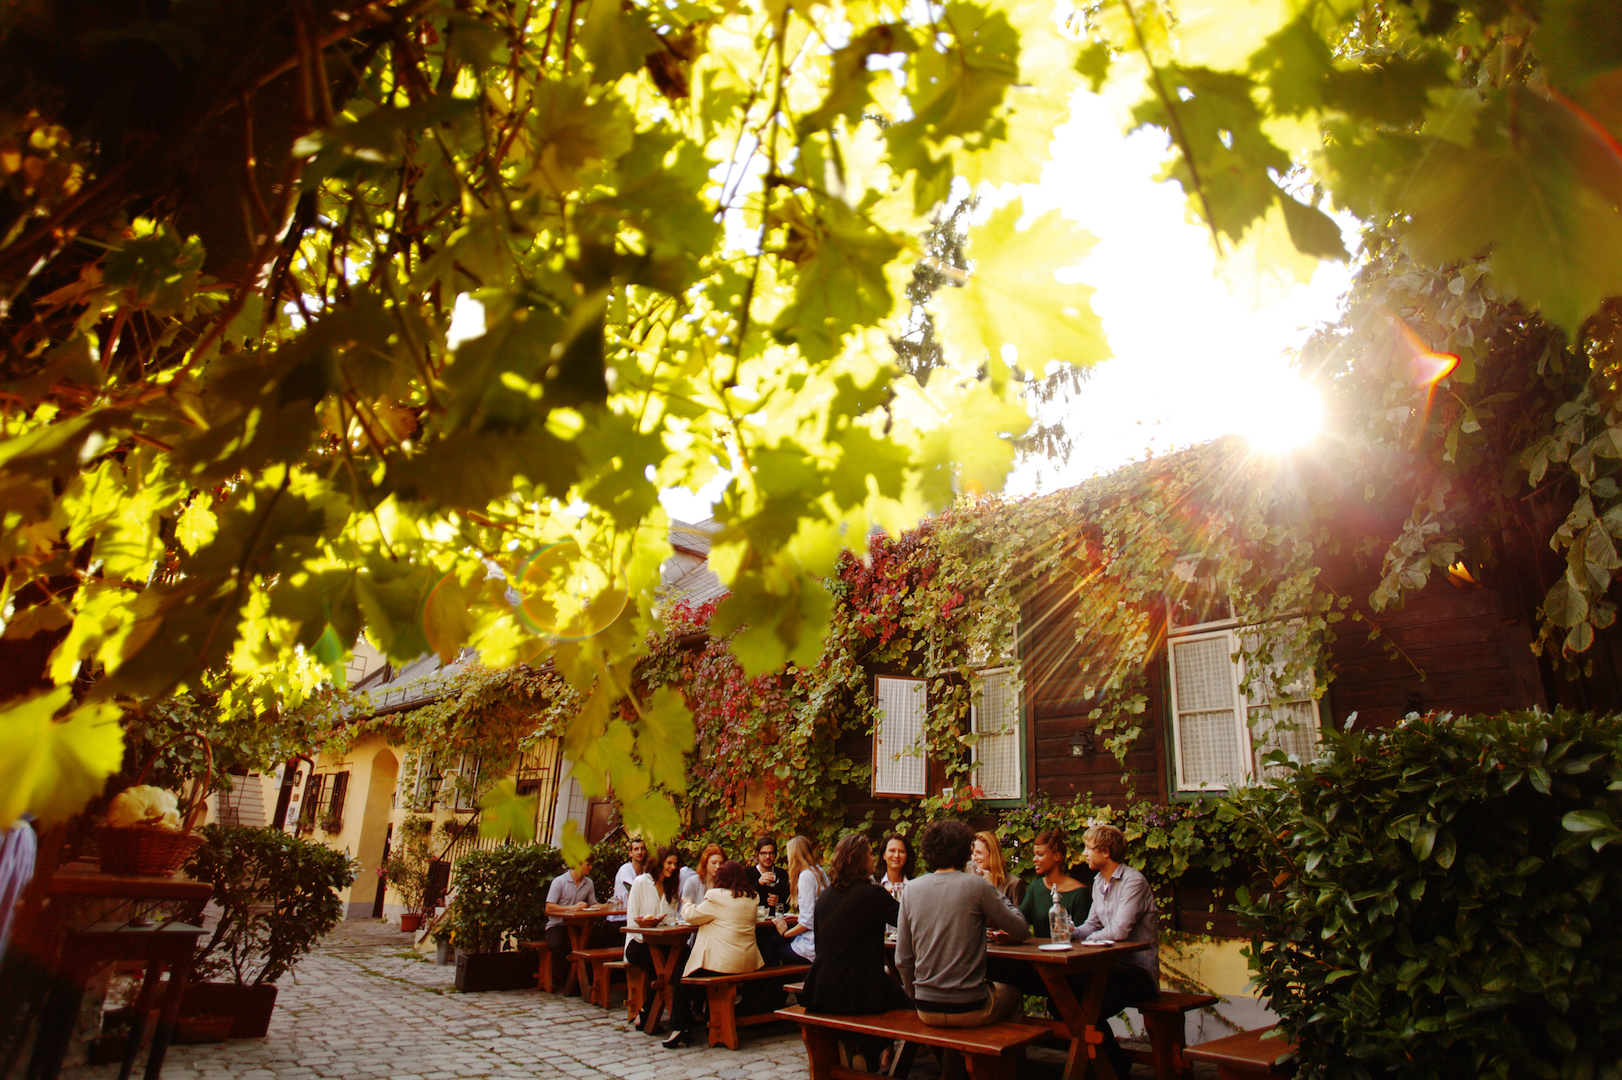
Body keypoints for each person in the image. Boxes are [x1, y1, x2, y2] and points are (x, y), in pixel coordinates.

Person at [894, 819, 1029, 1043]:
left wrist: (915, 995)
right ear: (964, 851)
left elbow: (902, 959)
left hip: (925, 1007)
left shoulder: (911, 890)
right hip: (970, 1004)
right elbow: (1022, 930)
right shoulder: (977, 886)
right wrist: (993, 890)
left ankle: (953, 1070)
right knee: (1013, 995)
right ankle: (1000, 1066)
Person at [801, 835, 911, 1071]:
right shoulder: (873, 895)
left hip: (819, 987)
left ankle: (861, 1052)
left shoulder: (825, 897)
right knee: (913, 1006)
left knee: (890, 994)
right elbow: (909, 921)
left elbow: (821, 945)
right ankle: (867, 1048)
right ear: (860, 860)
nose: (873, 858)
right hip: (858, 987)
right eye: (871, 854)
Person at [1068, 824, 1160, 1079]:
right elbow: (1092, 925)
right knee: (1067, 1000)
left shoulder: (1133, 881)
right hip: (1112, 969)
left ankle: (1110, 1066)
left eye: (1088, 848)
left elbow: (1119, 930)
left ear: (1106, 851)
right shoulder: (1098, 882)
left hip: (1138, 971)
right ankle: (1113, 1063)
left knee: (1085, 1009)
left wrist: (1084, 943)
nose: (1084, 853)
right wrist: (1071, 933)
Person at [662, 860, 765, 1048]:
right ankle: (709, 1022)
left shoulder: (716, 896)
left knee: (679, 974)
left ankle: (681, 1027)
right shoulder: (752, 897)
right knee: (694, 970)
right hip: (748, 961)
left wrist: (687, 902)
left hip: (724, 962)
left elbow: (691, 916)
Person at [624, 845, 683, 1031]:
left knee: (683, 955)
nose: (673, 867)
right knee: (667, 966)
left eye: (675, 864)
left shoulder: (670, 887)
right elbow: (632, 920)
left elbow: (672, 917)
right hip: (638, 944)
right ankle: (675, 1019)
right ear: (659, 863)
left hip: (663, 945)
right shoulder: (641, 883)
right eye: (669, 863)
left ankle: (646, 1013)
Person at [1017, 829, 1088, 936]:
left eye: (1040, 854)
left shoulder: (1079, 893)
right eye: (1034, 855)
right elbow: (1018, 921)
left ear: (1057, 856)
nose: (1034, 859)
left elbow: (1082, 934)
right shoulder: (1035, 887)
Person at [767, 835, 825, 963]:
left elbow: (808, 921)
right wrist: (798, 917)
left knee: (770, 946)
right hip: (821, 940)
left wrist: (784, 933)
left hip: (811, 945)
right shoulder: (819, 872)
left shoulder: (806, 876)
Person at [543, 855, 597, 992]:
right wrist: (572, 908)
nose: (591, 867)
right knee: (558, 945)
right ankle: (567, 983)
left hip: (578, 926)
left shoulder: (588, 883)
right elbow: (549, 908)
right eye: (588, 864)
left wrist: (610, 905)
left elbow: (594, 904)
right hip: (557, 925)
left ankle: (589, 982)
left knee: (595, 941)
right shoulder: (559, 882)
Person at [972, 830, 1023, 906]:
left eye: (979, 853)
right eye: (972, 853)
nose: (974, 858)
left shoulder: (1013, 884)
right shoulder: (969, 882)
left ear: (992, 854)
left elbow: (1017, 916)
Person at [610, 836, 649, 929]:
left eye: (642, 849)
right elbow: (634, 890)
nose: (639, 852)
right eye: (636, 849)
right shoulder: (625, 869)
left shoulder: (646, 871)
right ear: (630, 853)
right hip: (619, 919)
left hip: (638, 919)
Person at [747, 836, 791, 911]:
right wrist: (758, 884)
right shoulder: (747, 873)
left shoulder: (782, 874)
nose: (767, 857)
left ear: (775, 855)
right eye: (763, 853)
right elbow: (744, 900)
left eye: (771, 853)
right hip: (756, 920)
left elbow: (788, 903)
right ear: (757, 855)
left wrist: (778, 902)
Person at [873, 832, 913, 902]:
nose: (897, 855)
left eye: (901, 852)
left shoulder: (913, 885)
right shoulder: (874, 882)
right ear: (884, 855)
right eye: (892, 851)